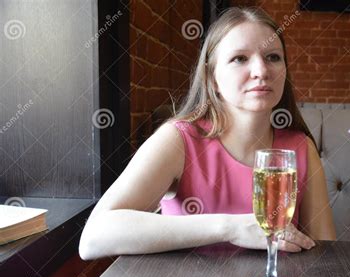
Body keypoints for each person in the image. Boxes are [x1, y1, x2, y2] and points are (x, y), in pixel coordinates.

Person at [79, 7, 336, 260]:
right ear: (213, 78)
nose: (261, 70)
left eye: (272, 57)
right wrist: (231, 228)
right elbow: (94, 238)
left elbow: (327, 255)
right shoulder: (179, 139)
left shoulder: (300, 148)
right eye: (240, 58)